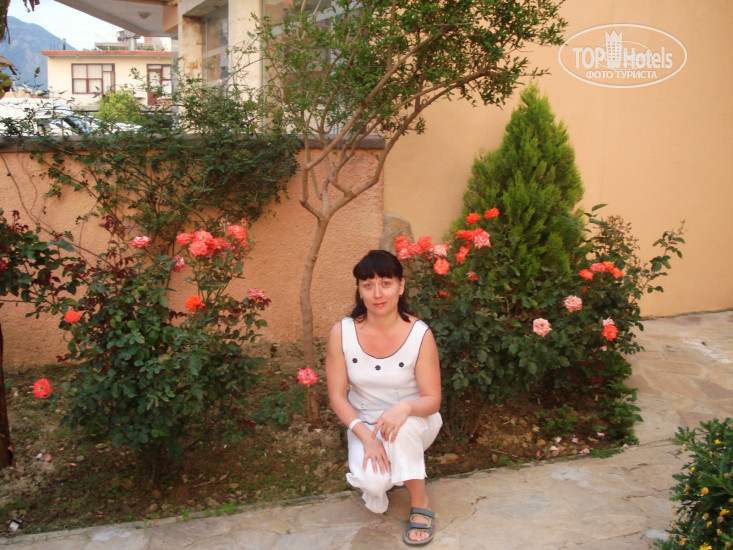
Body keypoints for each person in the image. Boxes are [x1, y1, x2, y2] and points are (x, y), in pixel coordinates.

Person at [325, 249, 442, 546]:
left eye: (386, 283)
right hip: (365, 423)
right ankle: (391, 470)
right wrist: (367, 437)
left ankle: (420, 503)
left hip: (416, 417)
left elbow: (432, 400)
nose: (377, 293)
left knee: (401, 431)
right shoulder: (342, 333)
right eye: (368, 285)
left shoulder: (419, 334)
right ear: (360, 290)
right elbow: (337, 396)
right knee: (374, 483)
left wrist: (405, 407)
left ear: (401, 286)